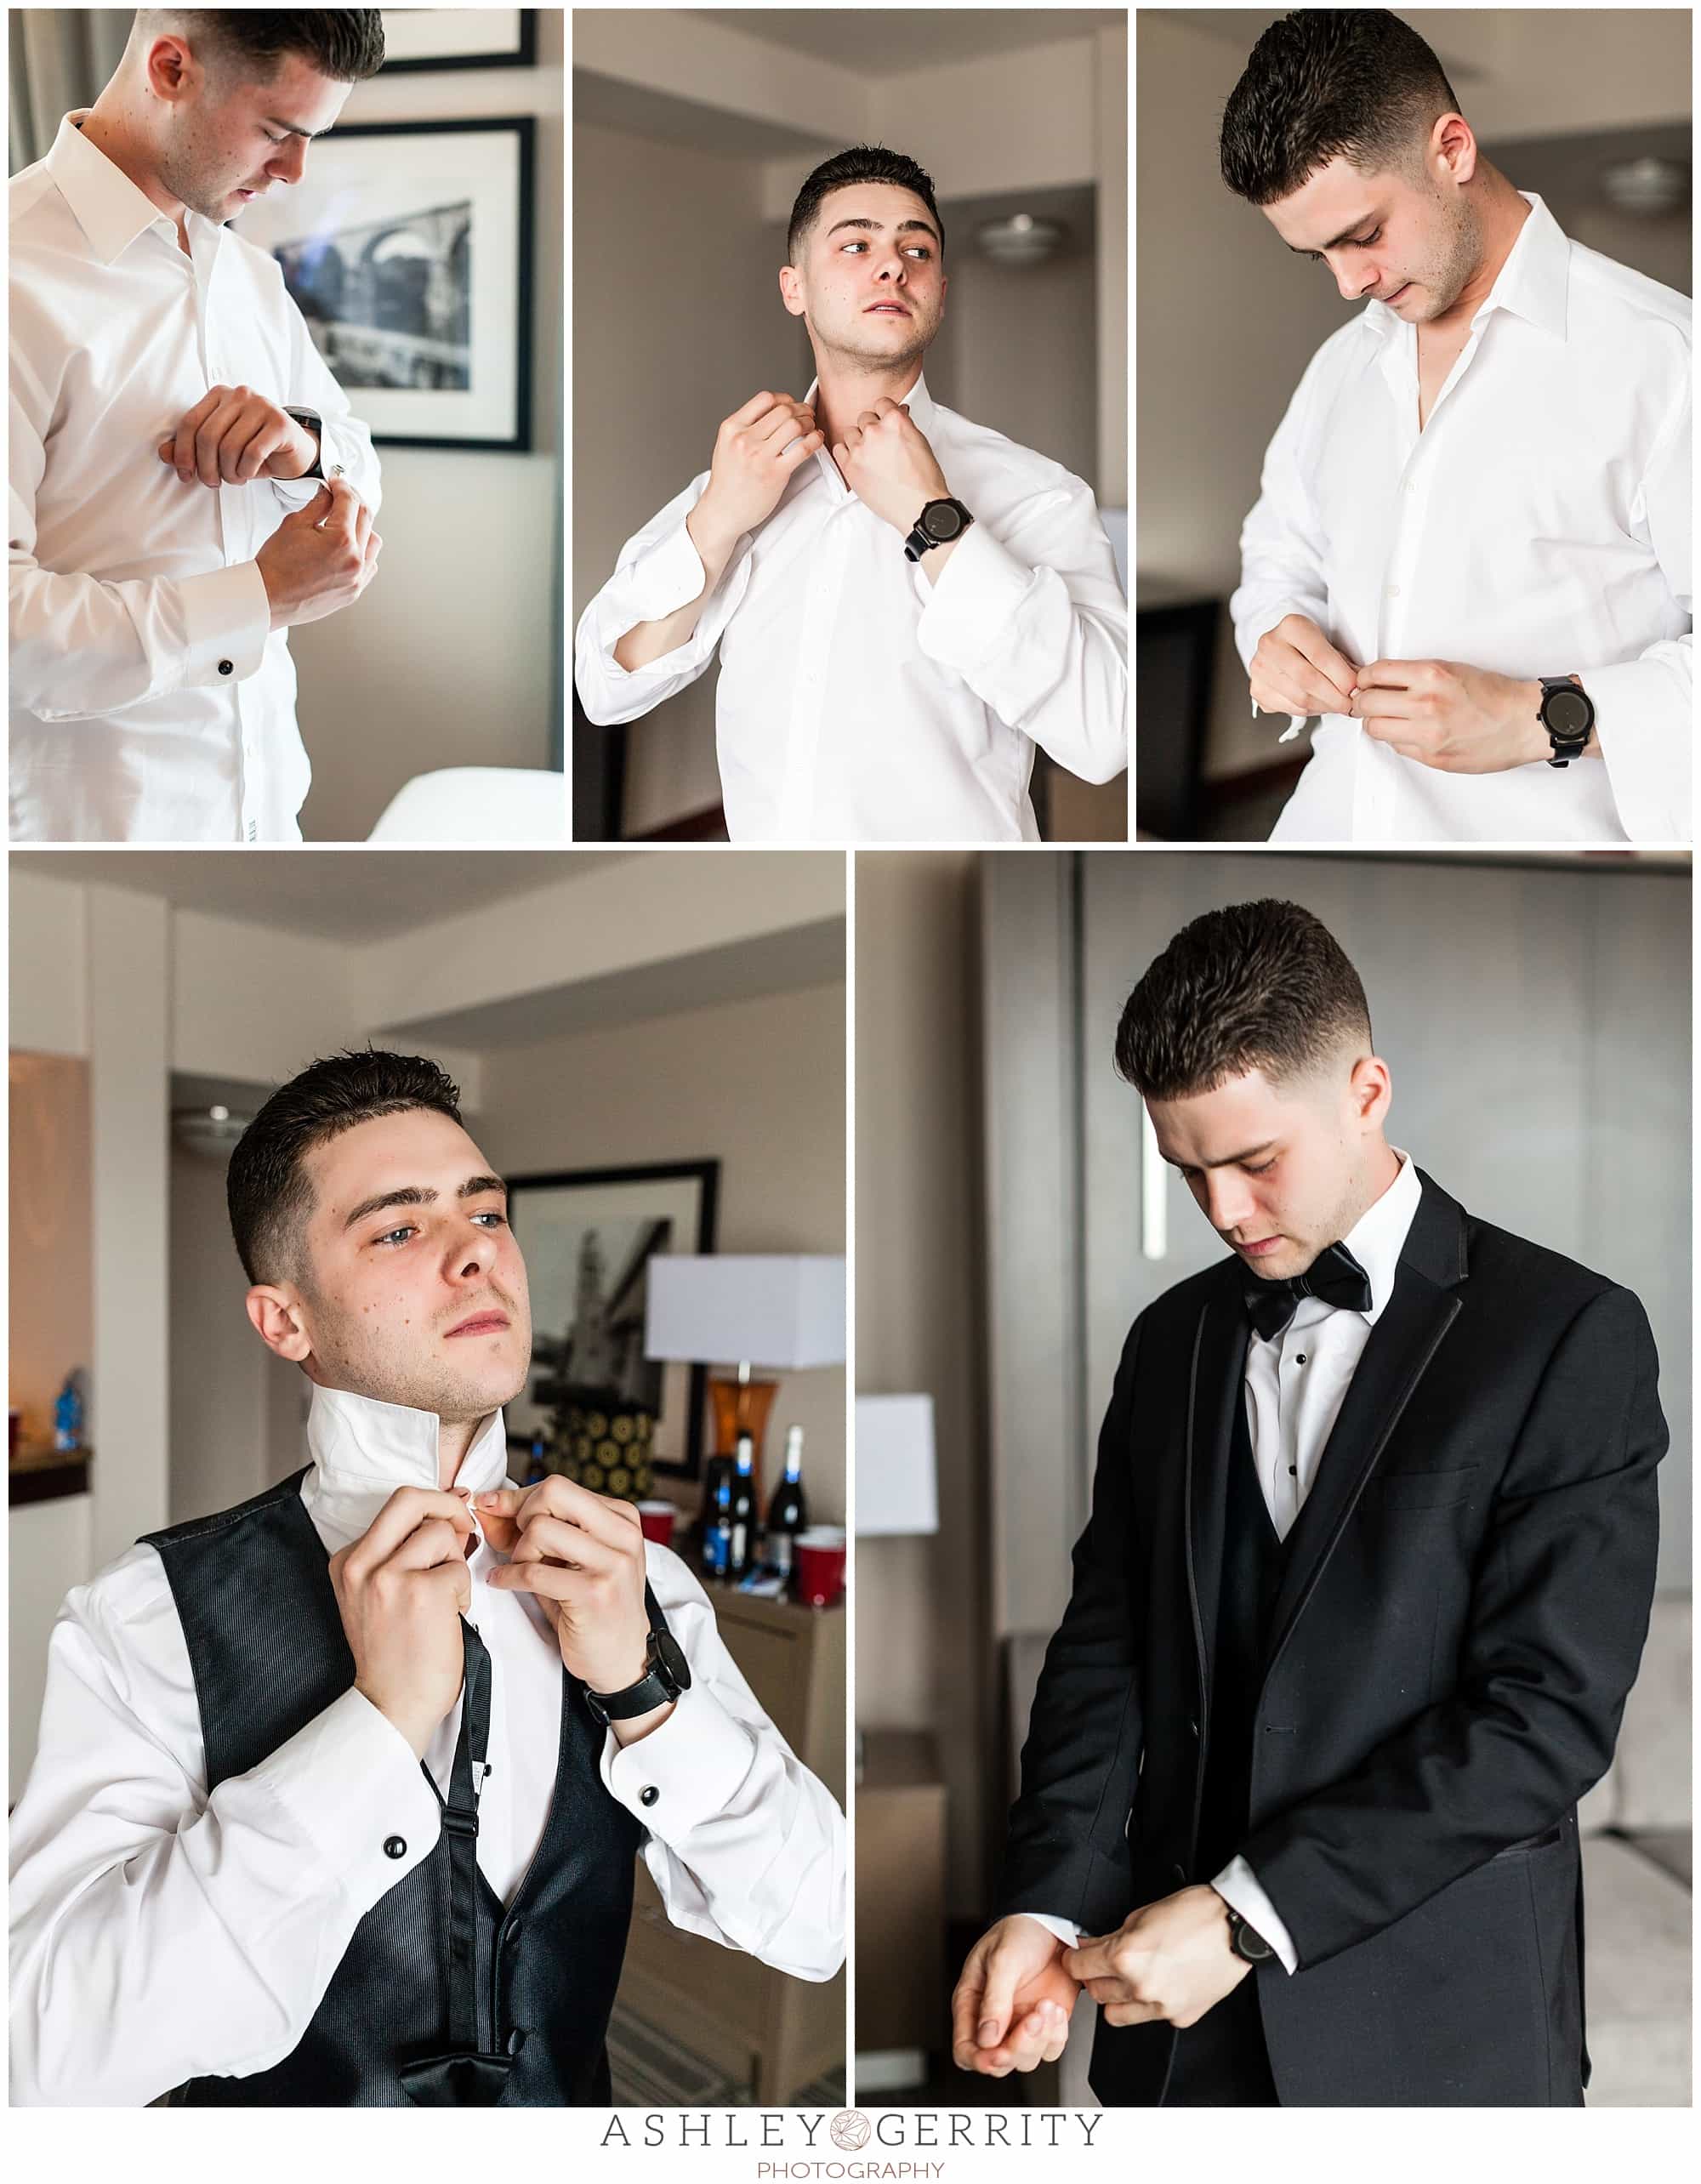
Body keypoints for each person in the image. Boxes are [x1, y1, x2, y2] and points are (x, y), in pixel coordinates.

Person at [10, 1051, 845, 2107]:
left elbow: (819, 1924)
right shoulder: (145, 1619)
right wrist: (374, 1726)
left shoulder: (639, 1584)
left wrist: (641, 1695)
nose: (475, 1257)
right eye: (400, 1229)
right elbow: (45, 2055)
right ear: (285, 1321)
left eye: (486, 1215)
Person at [952, 899, 1664, 2106]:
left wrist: (1241, 1919)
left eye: (1254, 1161)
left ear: (1367, 1091)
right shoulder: (1170, 1341)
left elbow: (1541, 1721)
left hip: (1436, 2022)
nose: (1225, 1212)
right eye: (1189, 1173)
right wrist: (1046, 1895)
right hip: (1176, 2038)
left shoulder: (1568, 1335)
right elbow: (1108, 1648)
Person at [1220, 9, 1690, 846]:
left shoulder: (1665, 364)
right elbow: (1275, 558)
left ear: (1451, 150)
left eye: (1361, 235)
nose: (1345, 282)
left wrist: (1538, 716)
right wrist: (1272, 630)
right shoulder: (1337, 371)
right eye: (1316, 255)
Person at [574, 145, 1127, 845]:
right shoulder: (739, 481)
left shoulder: (1038, 495)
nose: (893, 264)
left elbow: (1105, 735)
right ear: (793, 287)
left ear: (941, 294)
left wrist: (937, 522)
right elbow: (605, 684)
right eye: (856, 244)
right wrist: (716, 521)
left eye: (917, 250)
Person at [10, 9, 388, 845]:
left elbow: (356, 456)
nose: (293, 171)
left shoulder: (248, 275)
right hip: (94, 843)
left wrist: (302, 446)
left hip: (270, 821)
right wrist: (259, 597)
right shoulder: (12, 279)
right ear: (172, 69)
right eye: (276, 130)